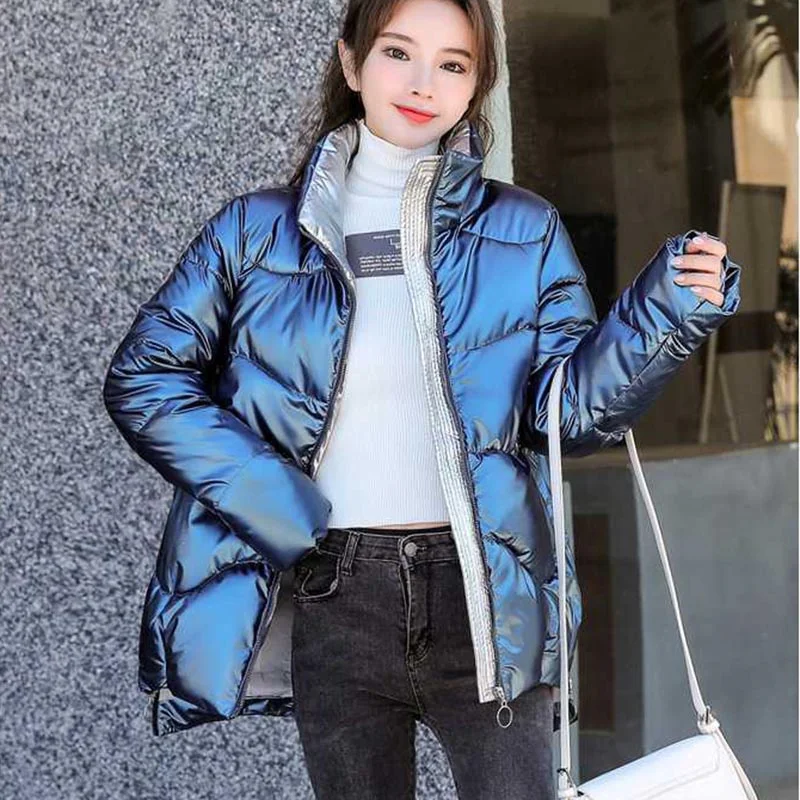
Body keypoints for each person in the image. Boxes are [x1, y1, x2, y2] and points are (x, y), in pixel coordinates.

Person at [102, 0, 741, 796]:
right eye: (398, 52)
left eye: (453, 64)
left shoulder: (524, 230)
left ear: (477, 85)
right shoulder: (254, 232)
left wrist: (664, 314)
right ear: (351, 62)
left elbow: (567, 417)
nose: (422, 84)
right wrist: (270, 496)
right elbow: (145, 377)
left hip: (488, 592)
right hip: (337, 588)